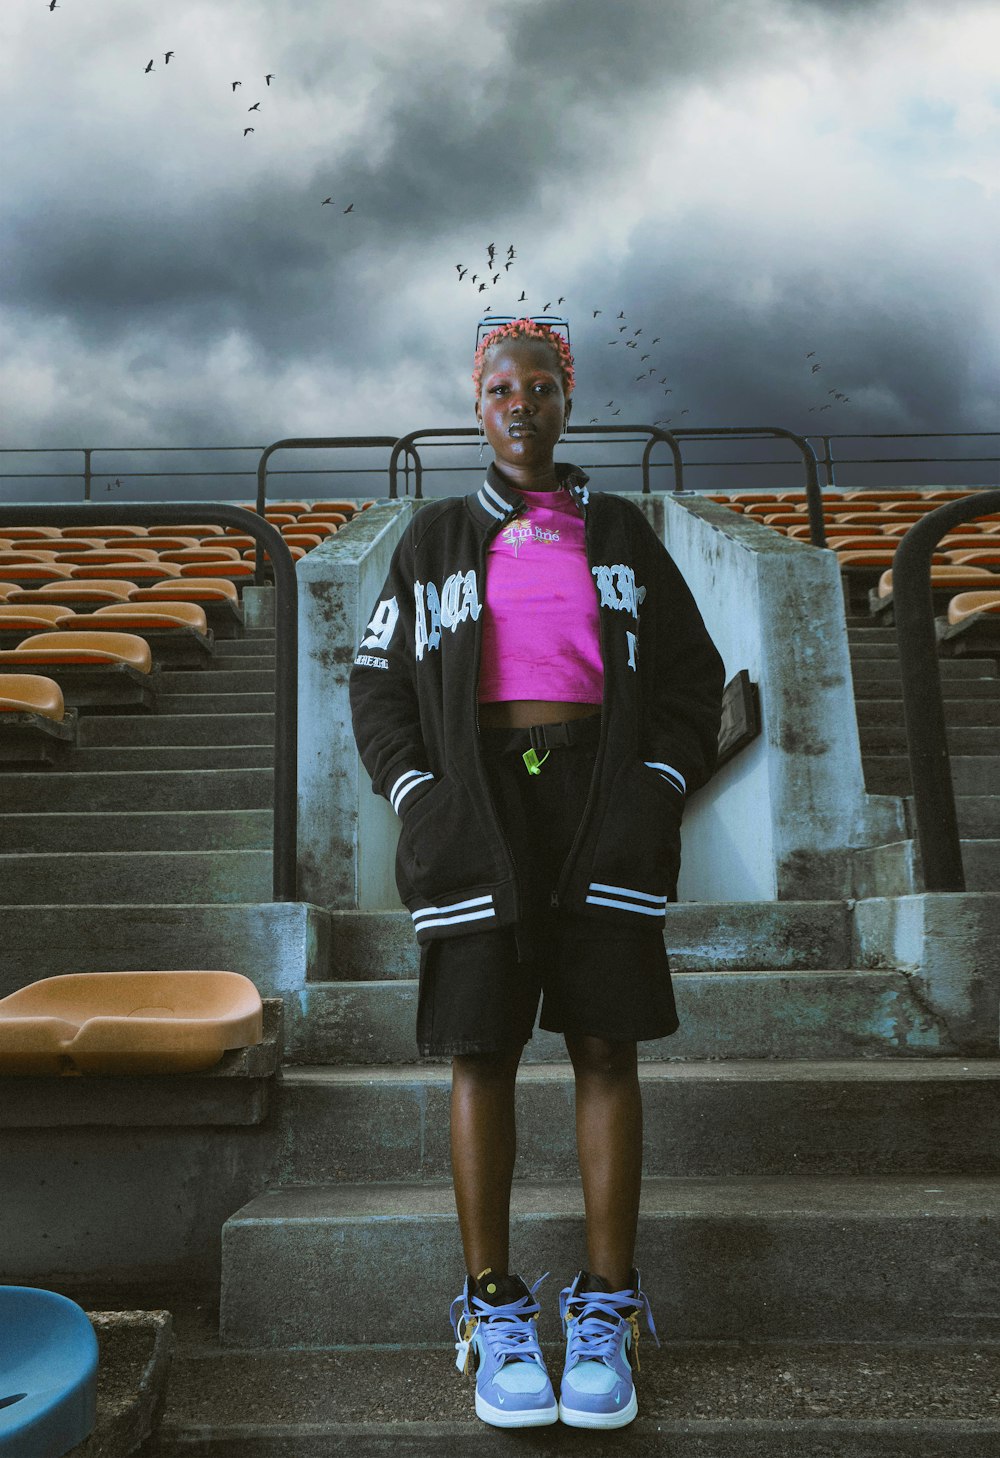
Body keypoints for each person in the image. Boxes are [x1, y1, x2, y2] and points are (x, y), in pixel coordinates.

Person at [350, 317, 724, 1430]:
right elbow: (374, 685)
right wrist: (419, 793)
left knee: (604, 1045)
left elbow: (693, 676)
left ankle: (607, 1304)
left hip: (600, 804)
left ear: (569, 400)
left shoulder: (621, 532)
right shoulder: (430, 541)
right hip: (476, 814)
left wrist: (656, 782)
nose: (523, 404)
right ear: (478, 406)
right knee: (483, 1048)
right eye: (502, 388)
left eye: (544, 386)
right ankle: (492, 1306)